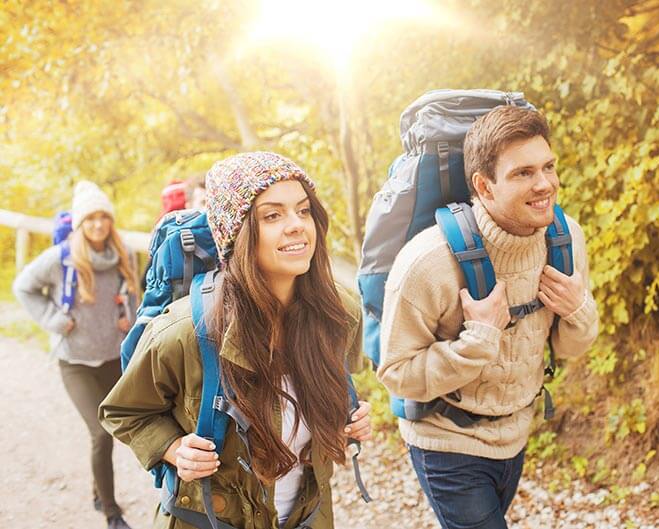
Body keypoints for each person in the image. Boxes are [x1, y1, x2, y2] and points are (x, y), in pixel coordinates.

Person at [99, 152, 372, 529]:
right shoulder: (184, 332)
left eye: (304, 210)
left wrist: (346, 418)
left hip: (308, 516)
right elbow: (123, 411)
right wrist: (173, 448)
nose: (296, 226)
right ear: (237, 233)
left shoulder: (339, 312)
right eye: (272, 215)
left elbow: (336, 389)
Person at [377, 105, 599, 529]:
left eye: (548, 167)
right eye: (523, 173)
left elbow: (568, 347)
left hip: (515, 433)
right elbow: (396, 372)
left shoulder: (566, 238)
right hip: (446, 441)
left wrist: (577, 310)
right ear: (484, 186)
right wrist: (477, 340)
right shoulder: (427, 262)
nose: (545, 185)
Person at [13, 180, 140, 529]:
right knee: (101, 434)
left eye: (104, 217)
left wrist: (130, 315)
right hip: (76, 362)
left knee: (122, 427)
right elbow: (23, 286)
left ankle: (99, 492)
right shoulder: (62, 258)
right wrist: (54, 319)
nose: (98, 225)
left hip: (114, 357)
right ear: (80, 223)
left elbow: (133, 295)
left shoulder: (124, 254)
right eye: (90, 219)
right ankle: (113, 514)